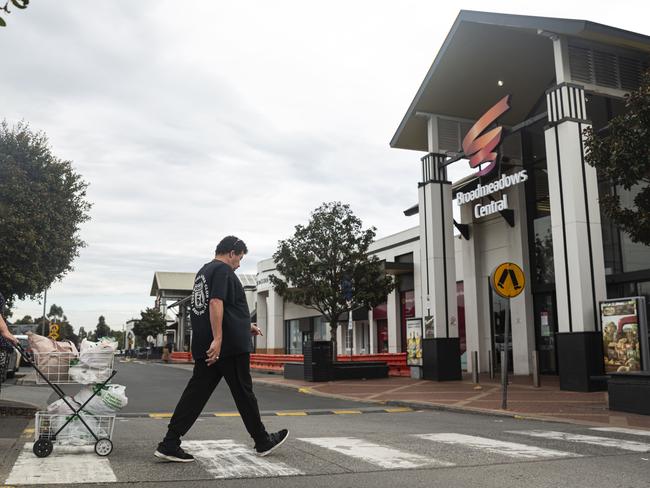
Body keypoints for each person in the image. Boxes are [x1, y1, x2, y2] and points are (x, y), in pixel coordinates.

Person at [155, 236, 289, 462]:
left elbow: (220, 309)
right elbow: (215, 303)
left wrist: (245, 326)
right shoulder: (223, 271)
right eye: (240, 258)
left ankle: (170, 442)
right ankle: (262, 440)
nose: (239, 264)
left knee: (195, 395)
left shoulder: (203, 273)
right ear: (232, 252)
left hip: (208, 346)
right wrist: (219, 339)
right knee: (244, 394)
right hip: (228, 347)